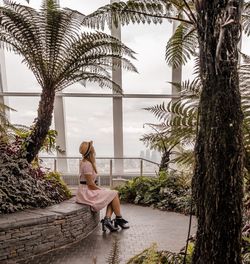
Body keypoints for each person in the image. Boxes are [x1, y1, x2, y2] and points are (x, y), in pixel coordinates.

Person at [76, 140, 129, 232]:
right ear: (91, 152)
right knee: (114, 194)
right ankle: (117, 219)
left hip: (85, 190)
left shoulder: (83, 162)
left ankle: (108, 219)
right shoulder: (88, 165)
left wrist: (101, 189)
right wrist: (101, 189)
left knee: (112, 195)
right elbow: (90, 184)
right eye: (93, 149)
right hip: (87, 192)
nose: (95, 150)